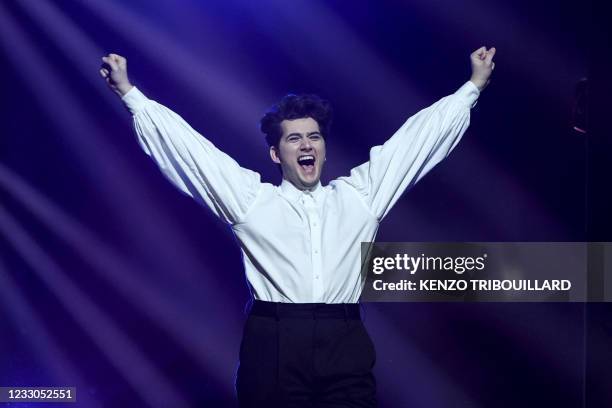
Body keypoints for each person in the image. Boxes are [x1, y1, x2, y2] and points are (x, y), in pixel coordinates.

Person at [100, 46, 496, 407]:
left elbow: (414, 143)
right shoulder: (252, 200)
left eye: (314, 137)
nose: (306, 145)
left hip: (343, 341)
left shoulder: (360, 196)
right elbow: (193, 151)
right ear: (276, 153)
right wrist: (131, 95)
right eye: (294, 139)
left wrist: (472, 88)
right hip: (274, 344)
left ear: (323, 148)